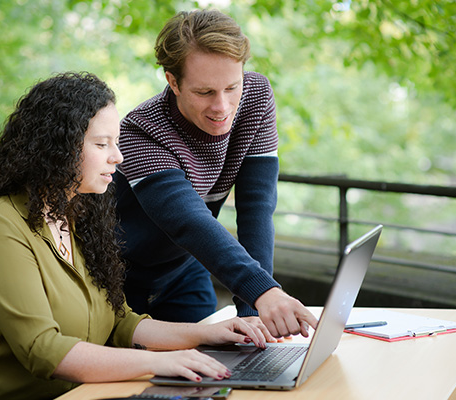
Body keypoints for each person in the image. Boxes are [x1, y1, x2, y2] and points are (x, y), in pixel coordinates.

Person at [0, 71, 267, 400]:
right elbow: (43, 349)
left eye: (116, 142)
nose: (118, 157)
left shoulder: (77, 217)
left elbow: (120, 322)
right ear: (57, 149)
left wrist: (206, 334)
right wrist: (160, 363)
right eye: (102, 144)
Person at [114, 9, 318, 340]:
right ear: (173, 81)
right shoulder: (141, 132)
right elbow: (189, 221)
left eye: (231, 87)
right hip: (117, 278)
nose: (222, 107)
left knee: (224, 368)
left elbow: (256, 208)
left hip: (184, 271)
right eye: (205, 92)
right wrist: (263, 291)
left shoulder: (256, 99)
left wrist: (255, 311)